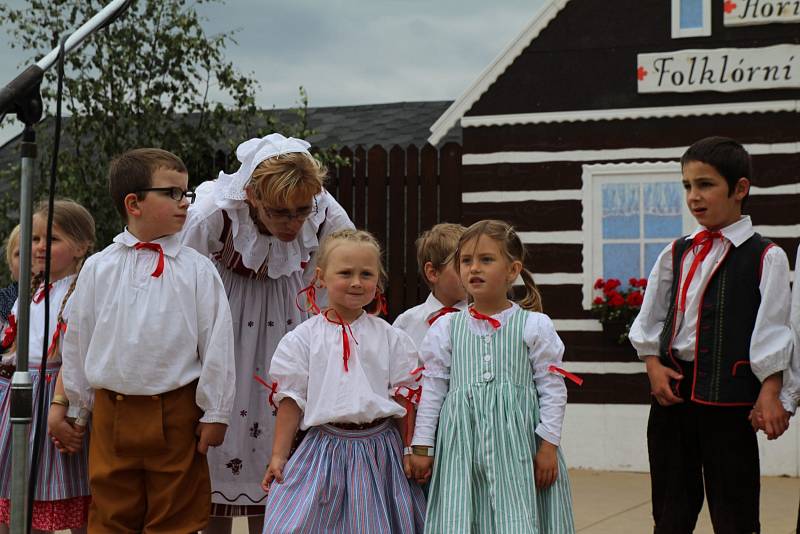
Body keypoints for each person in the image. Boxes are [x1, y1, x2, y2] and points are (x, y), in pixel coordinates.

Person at [180, 133, 353, 533]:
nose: (293, 222)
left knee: (281, 433)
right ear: (253, 196)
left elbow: (339, 269)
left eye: (300, 211)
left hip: (290, 318)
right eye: (280, 213)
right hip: (224, 322)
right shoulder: (214, 212)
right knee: (218, 434)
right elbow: (180, 279)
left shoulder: (324, 212)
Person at [60, 148, 236, 533]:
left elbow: (217, 343)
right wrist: (78, 403)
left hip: (177, 410)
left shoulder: (197, 269)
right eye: (172, 193)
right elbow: (78, 339)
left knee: (176, 514)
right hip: (111, 412)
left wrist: (217, 411)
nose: (184, 203)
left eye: (186, 193)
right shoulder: (98, 267)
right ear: (133, 203)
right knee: (111, 510)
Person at [628, 136, 793, 533]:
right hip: (673, 397)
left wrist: (771, 391)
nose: (694, 196)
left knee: (734, 509)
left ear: (740, 189)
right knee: (670, 509)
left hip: (729, 402)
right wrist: (653, 364)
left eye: (705, 185)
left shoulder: (765, 256)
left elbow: (773, 330)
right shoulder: (676, 251)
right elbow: (651, 318)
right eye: (687, 186)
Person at [409, 219, 575, 533]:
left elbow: (553, 390)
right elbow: (432, 390)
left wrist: (548, 446)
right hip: (461, 447)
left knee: (516, 517)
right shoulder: (446, 328)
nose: (474, 268)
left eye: (486, 260)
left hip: (519, 448)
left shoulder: (534, 326)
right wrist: (422, 447)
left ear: (512, 270)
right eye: (466, 261)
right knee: (463, 516)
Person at [261, 229, 426, 533]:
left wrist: (409, 450)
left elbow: (406, 399)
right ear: (321, 277)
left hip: (381, 454)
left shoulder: (391, 337)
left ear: (378, 280)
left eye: (366, 274)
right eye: (345, 273)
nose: (356, 282)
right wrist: (278, 456)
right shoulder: (302, 339)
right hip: (323, 449)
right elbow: (291, 401)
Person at [0, 200, 94, 534]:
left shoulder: (81, 292)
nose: (39, 247)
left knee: (66, 496)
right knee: (19, 496)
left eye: (51, 239)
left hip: (55, 399)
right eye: (35, 239)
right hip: (19, 400)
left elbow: (76, 357)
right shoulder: (34, 292)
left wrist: (62, 409)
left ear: (81, 246)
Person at [393, 223, 468, 348]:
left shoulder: (488, 318)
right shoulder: (406, 324)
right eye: (463, 263)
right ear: (432, 273)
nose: (471, 270)